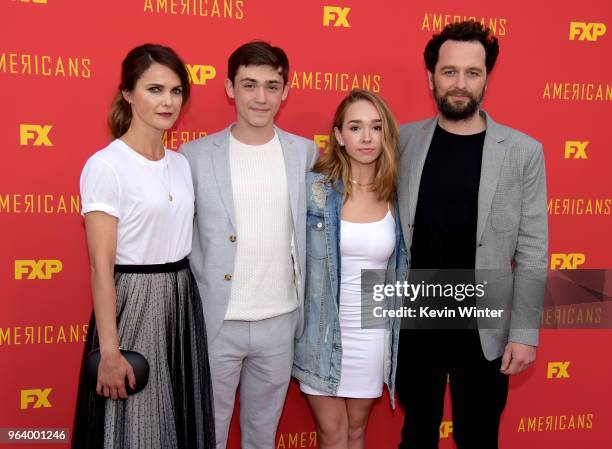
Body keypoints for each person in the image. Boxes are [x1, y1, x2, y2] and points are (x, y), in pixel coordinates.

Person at [396, 21, 548, 449]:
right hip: (415, 319)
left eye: (472, 73)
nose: (460, 84)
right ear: (431, 78)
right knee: (416, 434)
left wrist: (524, 332)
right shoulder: (402, 140)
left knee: (478, 436)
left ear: (486, 78)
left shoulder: (523, 152)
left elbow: (533, 250)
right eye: (449, 72)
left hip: (485, 324)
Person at [72, 44, 215, 449]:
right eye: (154, 89)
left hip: (182, 301)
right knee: (134, 429)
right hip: (133, 303)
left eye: (175, 90)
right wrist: (110, 352)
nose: (167, 101)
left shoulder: (181, 164)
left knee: (178, 424)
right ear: (127, 94)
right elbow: (102, 268)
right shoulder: (106, 166)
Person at [179, 41, 318, 449]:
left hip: (280, 320)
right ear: (229, 87)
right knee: (209, 433)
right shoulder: (195, 156)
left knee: (262, 435)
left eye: (272, 86)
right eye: (250, 85)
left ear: (286, 91)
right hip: (216, 322)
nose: (261, 98)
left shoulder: (304, 153)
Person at [293, 89, 408, 449]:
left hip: (372, 329)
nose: (367, 137)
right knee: (332, 431)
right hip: (321, 327)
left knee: (356, 431)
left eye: (376, 127)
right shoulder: (315, 189)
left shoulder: (398, 193)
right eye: (355, 127)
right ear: (339, 136)